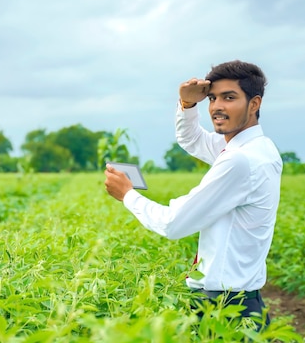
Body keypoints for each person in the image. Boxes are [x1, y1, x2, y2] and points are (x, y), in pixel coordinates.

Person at [104, 60, 282, 328]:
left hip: (226, 310)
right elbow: (193, 140)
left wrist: (128, 195)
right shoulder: (257, 148)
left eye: (229, 97)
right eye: (212, 98)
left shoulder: (240, 160)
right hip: (241, 303)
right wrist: (187, 105)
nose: (217, 107)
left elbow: (173, 224)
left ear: (254, 104)